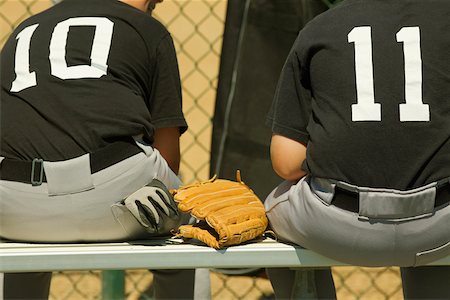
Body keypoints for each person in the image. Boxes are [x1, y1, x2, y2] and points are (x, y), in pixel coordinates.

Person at [0, 0, 196, 298]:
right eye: (153, 4)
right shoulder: (147, 29)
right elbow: (167, 158)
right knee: (195, 230)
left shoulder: (25, 29)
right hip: (114, 196)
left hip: (14, 208)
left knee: (28, 250)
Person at [265, 0, 450, 299]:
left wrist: (335, 152)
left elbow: (285, 163)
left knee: (272, 208)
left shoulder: (320, 28)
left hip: (337, 226)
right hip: (441, 226)